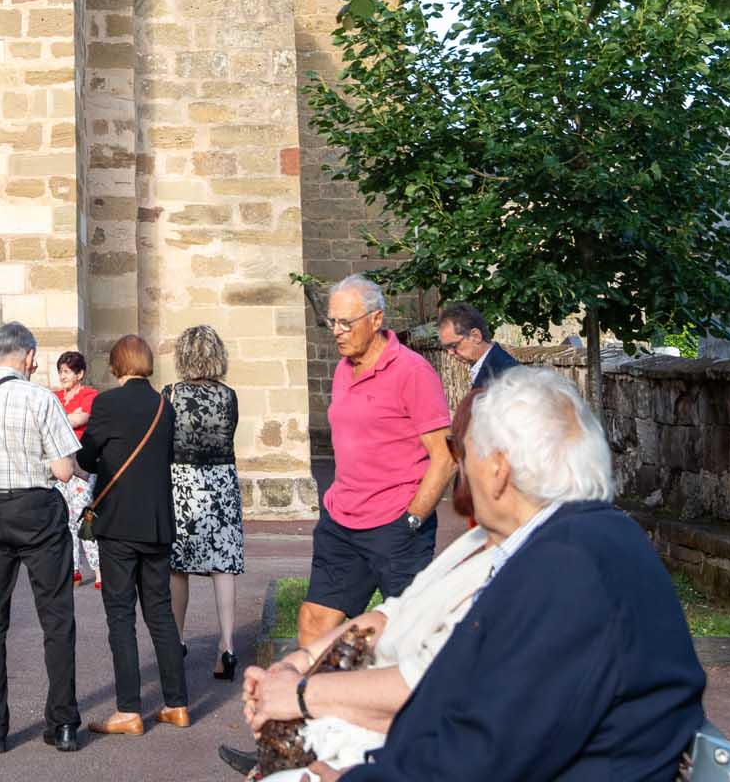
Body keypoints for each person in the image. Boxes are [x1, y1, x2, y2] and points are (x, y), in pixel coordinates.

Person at [331, 369, 707, 782]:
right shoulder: (588, 540)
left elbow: (484, 756)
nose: (463, 473)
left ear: (498, 470)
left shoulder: (567, 568)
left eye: (466, 457)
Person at [223, 390, 495, 779]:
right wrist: (292, 666)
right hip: (347, 522)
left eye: (459, 449)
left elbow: (432, 687)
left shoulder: (534, 563)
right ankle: (287, 748)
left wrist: (301, 698)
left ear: (499, 465)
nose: (454, 463)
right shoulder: (477, 545)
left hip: (403, 759)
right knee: (317, 618)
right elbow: (391, 615)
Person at [0, 322, 86, 754]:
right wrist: (43, 465)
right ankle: (62, 724)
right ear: (29, 357)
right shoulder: (42, 399)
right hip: (37, 511)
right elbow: (64, 469)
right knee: (56, 617)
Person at [302, 277, 454, 654]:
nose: (336, 332)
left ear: (376, 319)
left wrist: (413, 520)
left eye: (345, 323)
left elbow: (445, 456)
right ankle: (311, 709)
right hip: (342, 522)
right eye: (331, 322)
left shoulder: (412, 371)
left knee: (406, 635)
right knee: (314, 620)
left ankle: (411, 709)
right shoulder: (343, 368)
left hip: (396, 527)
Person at [77, 334, 188, 736]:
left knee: (121, 616)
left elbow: (88, 458)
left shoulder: (106, 404)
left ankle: (128, 710)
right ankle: (177, 703)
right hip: (158, 523)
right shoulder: (164, 405)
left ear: (116, 365)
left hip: (119, 523)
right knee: (159, 614)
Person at [168, 323, 246, 680]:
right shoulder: (229, 397)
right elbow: (228, 433)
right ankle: (227, 645)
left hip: (181, 483)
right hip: (221, 482)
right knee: (224, 565)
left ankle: (176, 638)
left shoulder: (170, 394)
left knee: (176, 566)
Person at [52, 350, 101, 586]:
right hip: (60, 464)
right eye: (60, 371)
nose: (62, 376)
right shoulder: (54, 396)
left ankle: (99, 569)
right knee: (65, 520)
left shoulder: (90, 395)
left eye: (67, 371)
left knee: (85, 519)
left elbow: (78, 420)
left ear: (80, 373)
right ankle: (73, 570)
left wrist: (56, 419)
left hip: (81, 465)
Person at [436, 303, 520, 389]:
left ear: (476, 336)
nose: (450, 352)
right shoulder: (490, 367)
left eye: (453, 345)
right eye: (446, 348)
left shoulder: (506, 373)